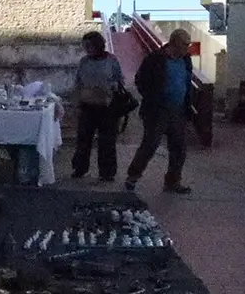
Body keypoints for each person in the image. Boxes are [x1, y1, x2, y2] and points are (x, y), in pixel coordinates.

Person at [126, 28, 194, 194]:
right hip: (158, 110)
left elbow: (187, 80)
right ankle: (133, 176)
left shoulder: (185, 60)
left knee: (179, 147)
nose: (187, 48)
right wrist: (152, 97)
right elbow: (140, 80)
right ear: (174, 43)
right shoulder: (155, 59)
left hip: (178, 109)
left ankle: (173, 181)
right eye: (184, 44)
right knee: (150, 144)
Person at [70, 31, 125, 181]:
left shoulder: (111, 61)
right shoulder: (84, 62)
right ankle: (79, 168)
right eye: (85, 46)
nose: (87, 49)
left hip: (107, 107)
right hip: (87, 105)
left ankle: (107, 173)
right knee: (83, 140)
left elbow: (120, 80)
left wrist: (112, 86)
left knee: (107, 141)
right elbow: (78, 83)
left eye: (90, 46)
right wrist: (76, 102)